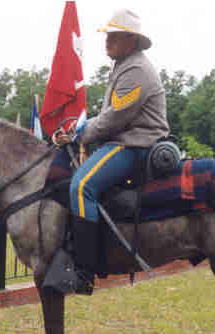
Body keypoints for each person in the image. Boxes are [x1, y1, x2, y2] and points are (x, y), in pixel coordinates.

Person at [50, 9, 169, 295]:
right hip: (124, 139)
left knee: (81, 186)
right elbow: (109, 115)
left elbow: (115, 118)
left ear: (132, 40)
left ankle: (83, 272)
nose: (107, 41)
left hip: (135, 144)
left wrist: (80, 134)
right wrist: (77, 128)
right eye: (108, 35)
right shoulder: (125, 65)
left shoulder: (136, 70)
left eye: (114, 36)